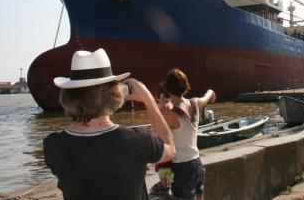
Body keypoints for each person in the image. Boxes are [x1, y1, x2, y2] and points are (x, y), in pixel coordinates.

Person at [43, 48, 175, 200]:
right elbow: (170, 149)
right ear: (115, 94)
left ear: (68, 97)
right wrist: (149, 101)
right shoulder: (139, 140)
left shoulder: (53, 145)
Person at [159, 68, 216, 200]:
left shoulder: (171, 115)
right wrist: (211, 92)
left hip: (181, 168)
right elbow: (206, 97)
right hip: (197, 163)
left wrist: (161, 106)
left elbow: (156, 131)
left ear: (168, 89)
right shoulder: (194, 103)